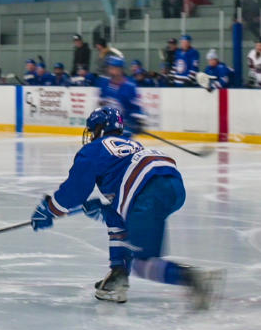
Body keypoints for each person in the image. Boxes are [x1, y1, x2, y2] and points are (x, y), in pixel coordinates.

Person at [29, 107, 222, 308]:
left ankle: (193, 278)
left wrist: (50, 209)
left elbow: (75, 190)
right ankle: (118, 274)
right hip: (172, 186)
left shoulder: (93, 150)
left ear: (100, 129)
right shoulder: (132, 144)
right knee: (117, 218)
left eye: (93, 129)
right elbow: (121, 202)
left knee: (143, 264)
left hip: (147, 191)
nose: (91, 134)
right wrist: (108, 210)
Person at [98, 55, 146, 134]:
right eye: (109, 68)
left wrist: (138, 122)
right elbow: (102, 103)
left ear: (119, 69)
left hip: (125, 130)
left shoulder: (130, 87)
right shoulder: (105, 84)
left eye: (112, 68)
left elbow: (136, 109)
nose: (109, 70)